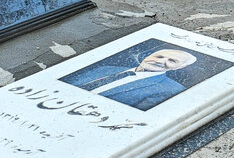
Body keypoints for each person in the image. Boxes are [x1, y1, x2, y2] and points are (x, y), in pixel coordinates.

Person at [60, 48, 197, 111]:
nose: (160, 61)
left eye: (172, 61)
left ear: (178, 68)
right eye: (159, 56)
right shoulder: (106, 68)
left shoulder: (171, 90)